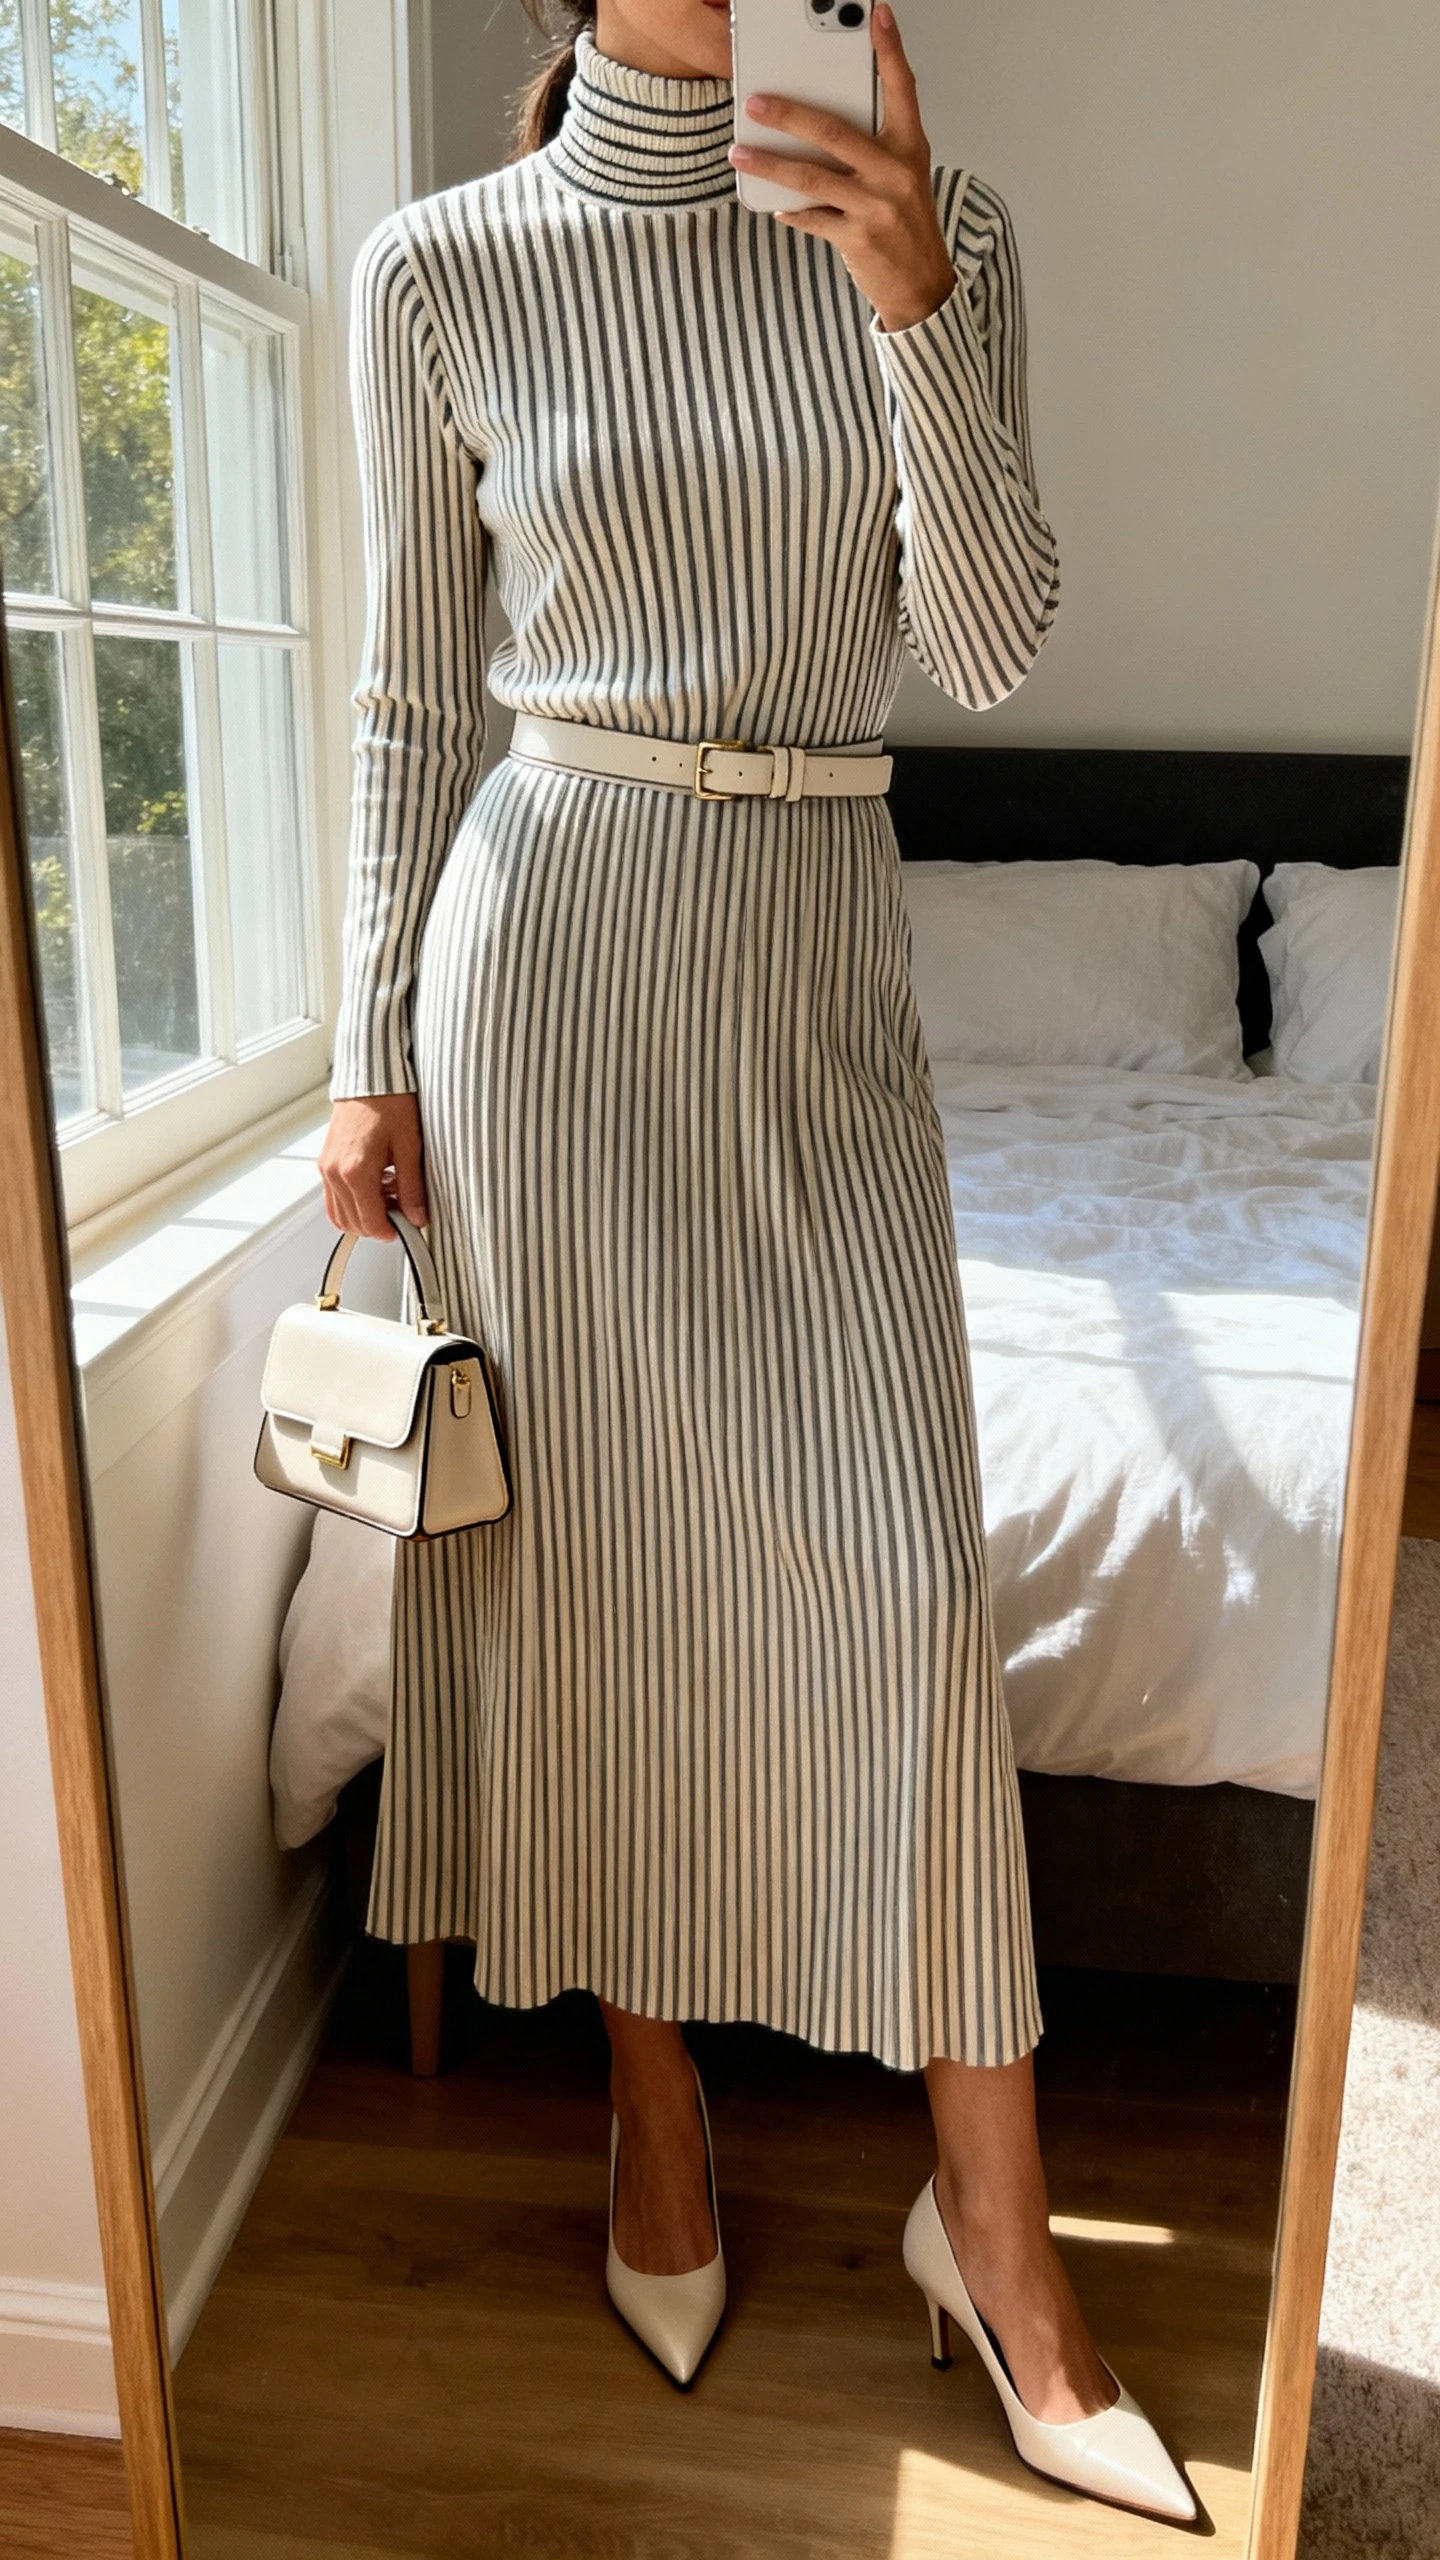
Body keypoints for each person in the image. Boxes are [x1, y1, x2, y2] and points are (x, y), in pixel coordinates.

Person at [319, 0, 1194, 2521]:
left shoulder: (940, 224)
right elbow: (402, 696)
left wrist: (919, 294)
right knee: (598, 1571)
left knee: (910, 1585)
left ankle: (997, 2242)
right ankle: (652, 2096)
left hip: (811, 944)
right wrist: (361, 1040)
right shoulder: (438, 268)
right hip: (550, 965)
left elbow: (1001, 643)